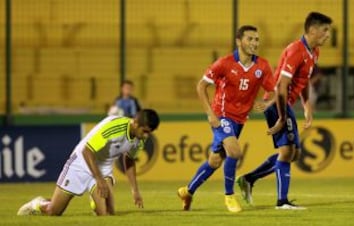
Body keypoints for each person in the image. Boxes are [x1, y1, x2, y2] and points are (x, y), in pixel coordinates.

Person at [236, 12, 332, 210]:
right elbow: (281, 86)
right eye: (325, 30)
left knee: (293, 154)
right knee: (287, 152)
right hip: (275, 102)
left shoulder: (313, 52)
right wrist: (281, 117)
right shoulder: (296, 50)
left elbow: (303, 81)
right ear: (312, 30)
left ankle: (248, 179)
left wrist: (306, 105)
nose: (328, 35)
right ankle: (282, 201)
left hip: (285, 103)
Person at [177, 25, 276, 213]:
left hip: (240, 120)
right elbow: (201, 86)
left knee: (215, 161)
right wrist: (210, 114)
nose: (255, 43)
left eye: (257, 39)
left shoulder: (262, 66)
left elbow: (274, 91)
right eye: (250, 39)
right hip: (222, 115)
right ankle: (229, 196)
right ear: (239, 41)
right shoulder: (224, 63)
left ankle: (187, 191)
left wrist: (267, 103)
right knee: (235, 151)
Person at [17, 109, 160, 216]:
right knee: (53, 211)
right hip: (81, 163)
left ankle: (96, 201)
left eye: (149, 132)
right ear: (135, 123)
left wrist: (135, 190)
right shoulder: (114, 128)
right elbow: (87, 151)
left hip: (103, 169)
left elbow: (129, 160)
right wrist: (100, 180)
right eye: (145, 131)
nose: (146, 135)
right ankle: (38, 204)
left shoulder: (140, 139)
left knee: (107, 214)